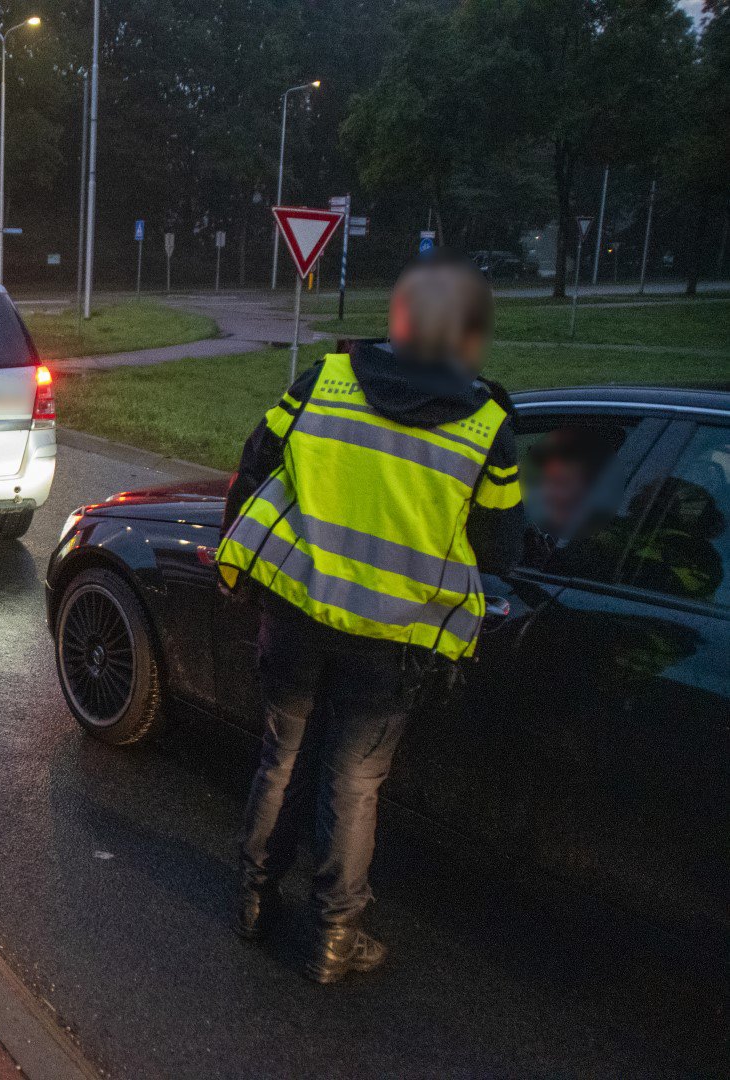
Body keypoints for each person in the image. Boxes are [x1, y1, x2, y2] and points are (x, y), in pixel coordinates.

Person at [215, 256, 525, 984]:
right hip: (393, 640)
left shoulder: (321, 382)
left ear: (399, 321)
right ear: (472, 336)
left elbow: (253, 466)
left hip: (296, 612)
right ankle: (333, 937)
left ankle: (255, 901)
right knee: (353, 783)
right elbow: (502, 548)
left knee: (281, 755)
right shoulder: (488, 427)